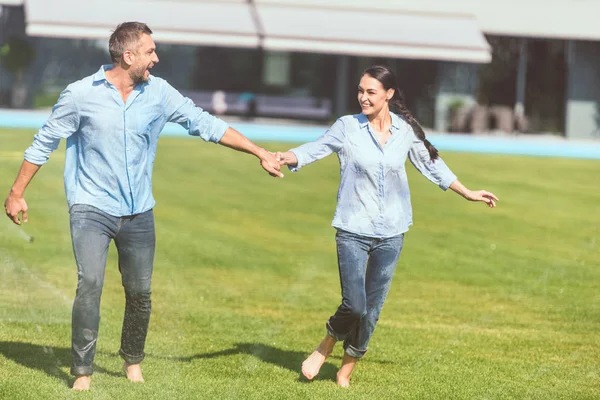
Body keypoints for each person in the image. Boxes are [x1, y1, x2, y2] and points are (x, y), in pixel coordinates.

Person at [3, 22, 282, 391]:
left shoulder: (159, 93)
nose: (156, 58)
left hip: (138, 212)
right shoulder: (80, 94)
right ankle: (82, 371)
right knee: (90, 283)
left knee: (139, 292)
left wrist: (259, 151)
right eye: (150, 51)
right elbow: (44, 142)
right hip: (91, 207)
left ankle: (132, 360)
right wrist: (17, 192)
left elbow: (204, 123)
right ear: (128, 55)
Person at [275, 65, 499, 387]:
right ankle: (326, 345)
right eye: (360, 91)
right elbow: (315, 149)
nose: (362, 98)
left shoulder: (405, 131)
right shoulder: (347, 127)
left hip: (392, 233)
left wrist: (467, 192)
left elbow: (431, 163)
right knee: (354, 303)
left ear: (389, 95)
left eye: (370, 92)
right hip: (353, 228)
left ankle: (346, 369)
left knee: (371, 310)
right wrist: (285, 156)